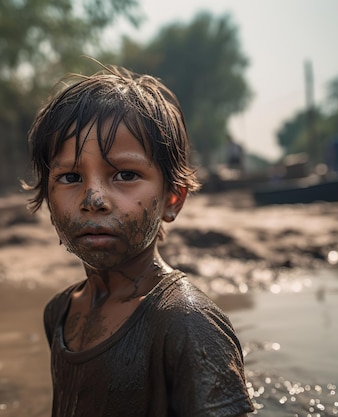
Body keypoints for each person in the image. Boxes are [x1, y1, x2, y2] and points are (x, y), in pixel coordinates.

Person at [25, 63, 254, 417]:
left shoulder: (186, 323)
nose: (93, 199)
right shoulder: (60, 313)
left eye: (126, 174)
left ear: (172, 199)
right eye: (70, 176)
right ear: (47, 198)